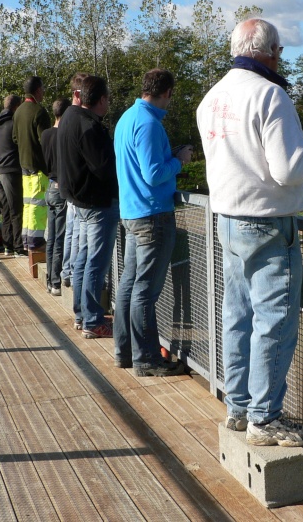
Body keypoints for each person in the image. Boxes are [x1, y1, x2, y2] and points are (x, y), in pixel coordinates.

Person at [197, 18, 303, 447]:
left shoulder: (212, 98)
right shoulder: (270, 94)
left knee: (238, 316)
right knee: (274, 322)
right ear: (270, 52)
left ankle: (238, 409)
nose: (280, 59)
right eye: (279, 52)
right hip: (269, 224)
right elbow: (288, 170)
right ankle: (265, 417)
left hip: (228, 221)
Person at [113, 69, 193, 376]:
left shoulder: (127, 119)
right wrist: (179, 160)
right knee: (144, 290)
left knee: (130, 285)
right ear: (167, 92)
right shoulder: (149, 124)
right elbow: (154, 174)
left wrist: (167, 157)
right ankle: (146, 360)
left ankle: (125, 352)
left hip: (133, 213)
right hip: (152, 215)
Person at [57, 75, 118, 339]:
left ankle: (83, 315)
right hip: (96, 202)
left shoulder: (69, 118)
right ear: (102, 100)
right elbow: (105, 169)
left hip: (78, 201)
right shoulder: (90, 127)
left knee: (82, 258)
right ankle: (93, 320)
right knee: (96, 261)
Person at [12, 76, 51, 252]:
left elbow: (14, 137)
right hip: (38, 167)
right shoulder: (39, 111)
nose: (43, 92)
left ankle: (26, 239)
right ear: (37, 90)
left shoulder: (18, 111)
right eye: (42, 89)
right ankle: (36, 240)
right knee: (38, 205)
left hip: (24, 165)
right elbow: (46, 141)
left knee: (27, 204)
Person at [60, 73, 89, 289]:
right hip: (77, 192)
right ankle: (71, 273)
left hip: (68, 188)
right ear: (78, 94)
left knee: (71, 232)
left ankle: (67, 272)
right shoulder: (77, 120)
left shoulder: (64, 120)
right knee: (77, 234)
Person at [41, 98, 71, 296]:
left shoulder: (45, 135)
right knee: (60, 238)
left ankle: (49, 280)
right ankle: (55, 281)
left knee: (51, 238)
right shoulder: (65, 135)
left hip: (50, 187)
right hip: (62, 189)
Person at [0, 94, 24, 255]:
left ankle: (8, 246)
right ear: (16, 107)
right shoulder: (14, 124)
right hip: (11, 170)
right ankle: (19, 247)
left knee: (4, 210)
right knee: (16, 209)